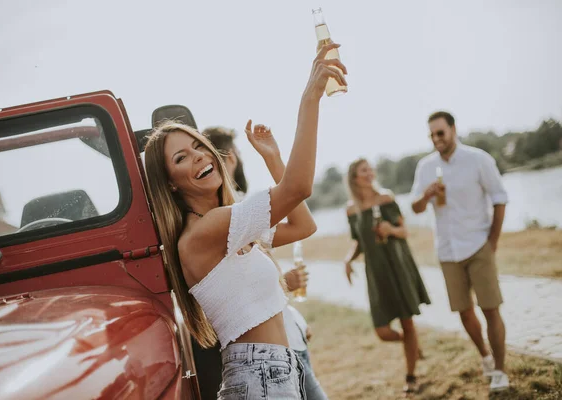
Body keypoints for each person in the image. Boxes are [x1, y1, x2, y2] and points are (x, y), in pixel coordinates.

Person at [144, 43, 347, 399]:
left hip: (274, 370)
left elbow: (303, 227)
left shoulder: (225, 225)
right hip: (260, 377)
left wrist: (273, 157)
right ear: (171, 183)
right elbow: (298, 188)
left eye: (198, 146)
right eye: (181, 158)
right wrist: (310, 98)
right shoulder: (206, 230)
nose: (198, 156)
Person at [203, 125, 329, 400]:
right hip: (268, 359)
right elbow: (298, 194)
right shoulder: (222, 222)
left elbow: (305, 226)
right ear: (231, 157)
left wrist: (294, 319)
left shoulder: (240, 214)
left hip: (288, 343)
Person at [411, 111, 509, 392]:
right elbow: (415, 208)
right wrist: (426, 195)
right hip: (447, 251)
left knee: (490, 309)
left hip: (478, 245)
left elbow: (500, 198)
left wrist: (493, 241)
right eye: (431, 135)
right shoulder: (425, 167)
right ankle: (486, 357)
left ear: (453, 129)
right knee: (464, 313)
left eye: (440, 133)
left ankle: (501, 371)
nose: (436, 139)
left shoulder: (478, 159)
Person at [344, 158, 430, 393]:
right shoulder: (351, 209)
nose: (370, 173)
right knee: (382, 330)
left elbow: (404, 231)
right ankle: (411, 346)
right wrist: (348, 260)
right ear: (354, 177)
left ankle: (411, 377)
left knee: (407, 320)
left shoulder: (386, 198)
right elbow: (358, 241)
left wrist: (391, 230)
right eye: (364, 170)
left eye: (370, 168)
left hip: (397, 266)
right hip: (376, 271)